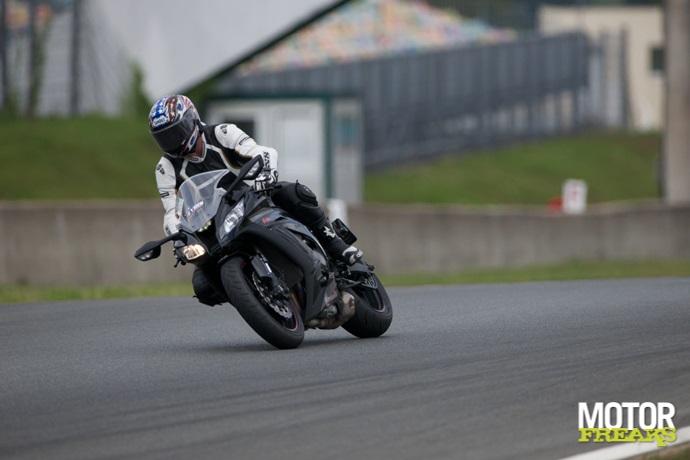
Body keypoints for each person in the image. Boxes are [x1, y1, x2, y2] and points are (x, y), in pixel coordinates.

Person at [148, 95, 363, 305]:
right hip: (212, 223)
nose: (173, 141)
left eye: (177, 132)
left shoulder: (221, 133)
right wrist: (178, 236)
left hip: (251, 198)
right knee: (202, 286)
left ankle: (335, 244)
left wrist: (266, 175)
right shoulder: (165, 168)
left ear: (192, 119)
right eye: (165, 138)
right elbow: (171, 212)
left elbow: (263, 152)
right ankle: (255, 296)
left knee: (293, 192)